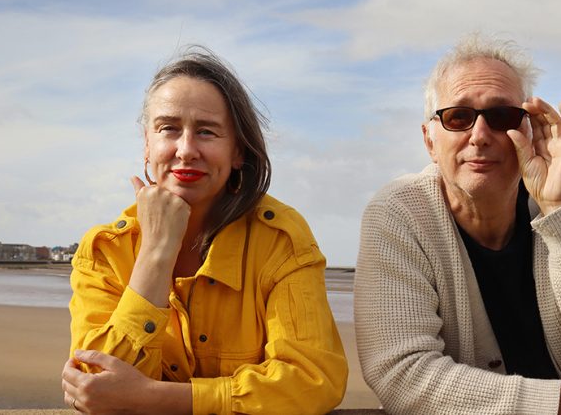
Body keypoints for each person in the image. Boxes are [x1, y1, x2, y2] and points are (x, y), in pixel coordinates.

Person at [354, 33, 561, 415]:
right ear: (430, 141)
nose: (480, 136)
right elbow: (401, 375)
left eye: (501, 117)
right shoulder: (400, 214)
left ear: (531, 130)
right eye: (458, 117)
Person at [62, 46, 348, 415]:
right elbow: (93, 388)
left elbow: (313, 380)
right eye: (168, 129)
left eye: (207, 132)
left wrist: (151, 398)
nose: (185, 150)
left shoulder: (280, 239)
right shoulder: (105, 250)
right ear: (147, 145)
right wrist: (155, 255)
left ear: (238, 152)